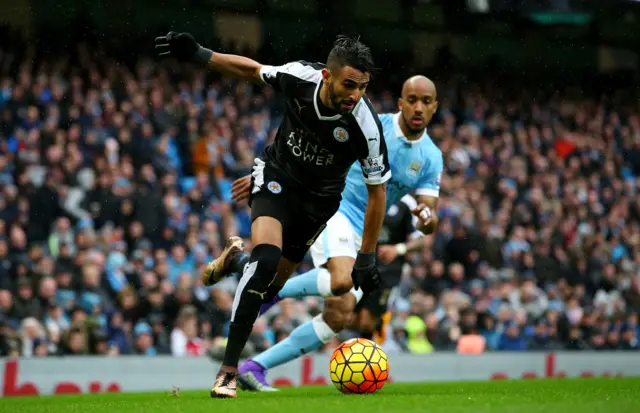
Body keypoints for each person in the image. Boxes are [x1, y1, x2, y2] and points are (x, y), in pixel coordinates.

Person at [155, 32, 390, 398]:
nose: (354, 95)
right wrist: (202, 54)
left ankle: (236, 264)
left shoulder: (366, 126)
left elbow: (378, 192)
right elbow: (252, 70)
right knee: (266, 261)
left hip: (317, 205)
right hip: (275, 178)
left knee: (271, 287)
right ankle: (228, 372)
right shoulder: (300, 77)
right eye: (348, 85)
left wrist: (368, 255)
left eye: (361, 88)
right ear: (328, 76)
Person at [231, 76, 442, 391]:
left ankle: (254, 367)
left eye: (426, 101)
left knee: (339, 315)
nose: (418, 107)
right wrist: (273, 175)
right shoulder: (374, 126)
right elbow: (315, 143)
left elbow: (429, 213)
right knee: (341, 279)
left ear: (435, 107)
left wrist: (427, 217)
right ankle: (267, 289)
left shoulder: (431, 157)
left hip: (364, 231)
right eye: (412, 99)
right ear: (401, 103)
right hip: (335, 208)